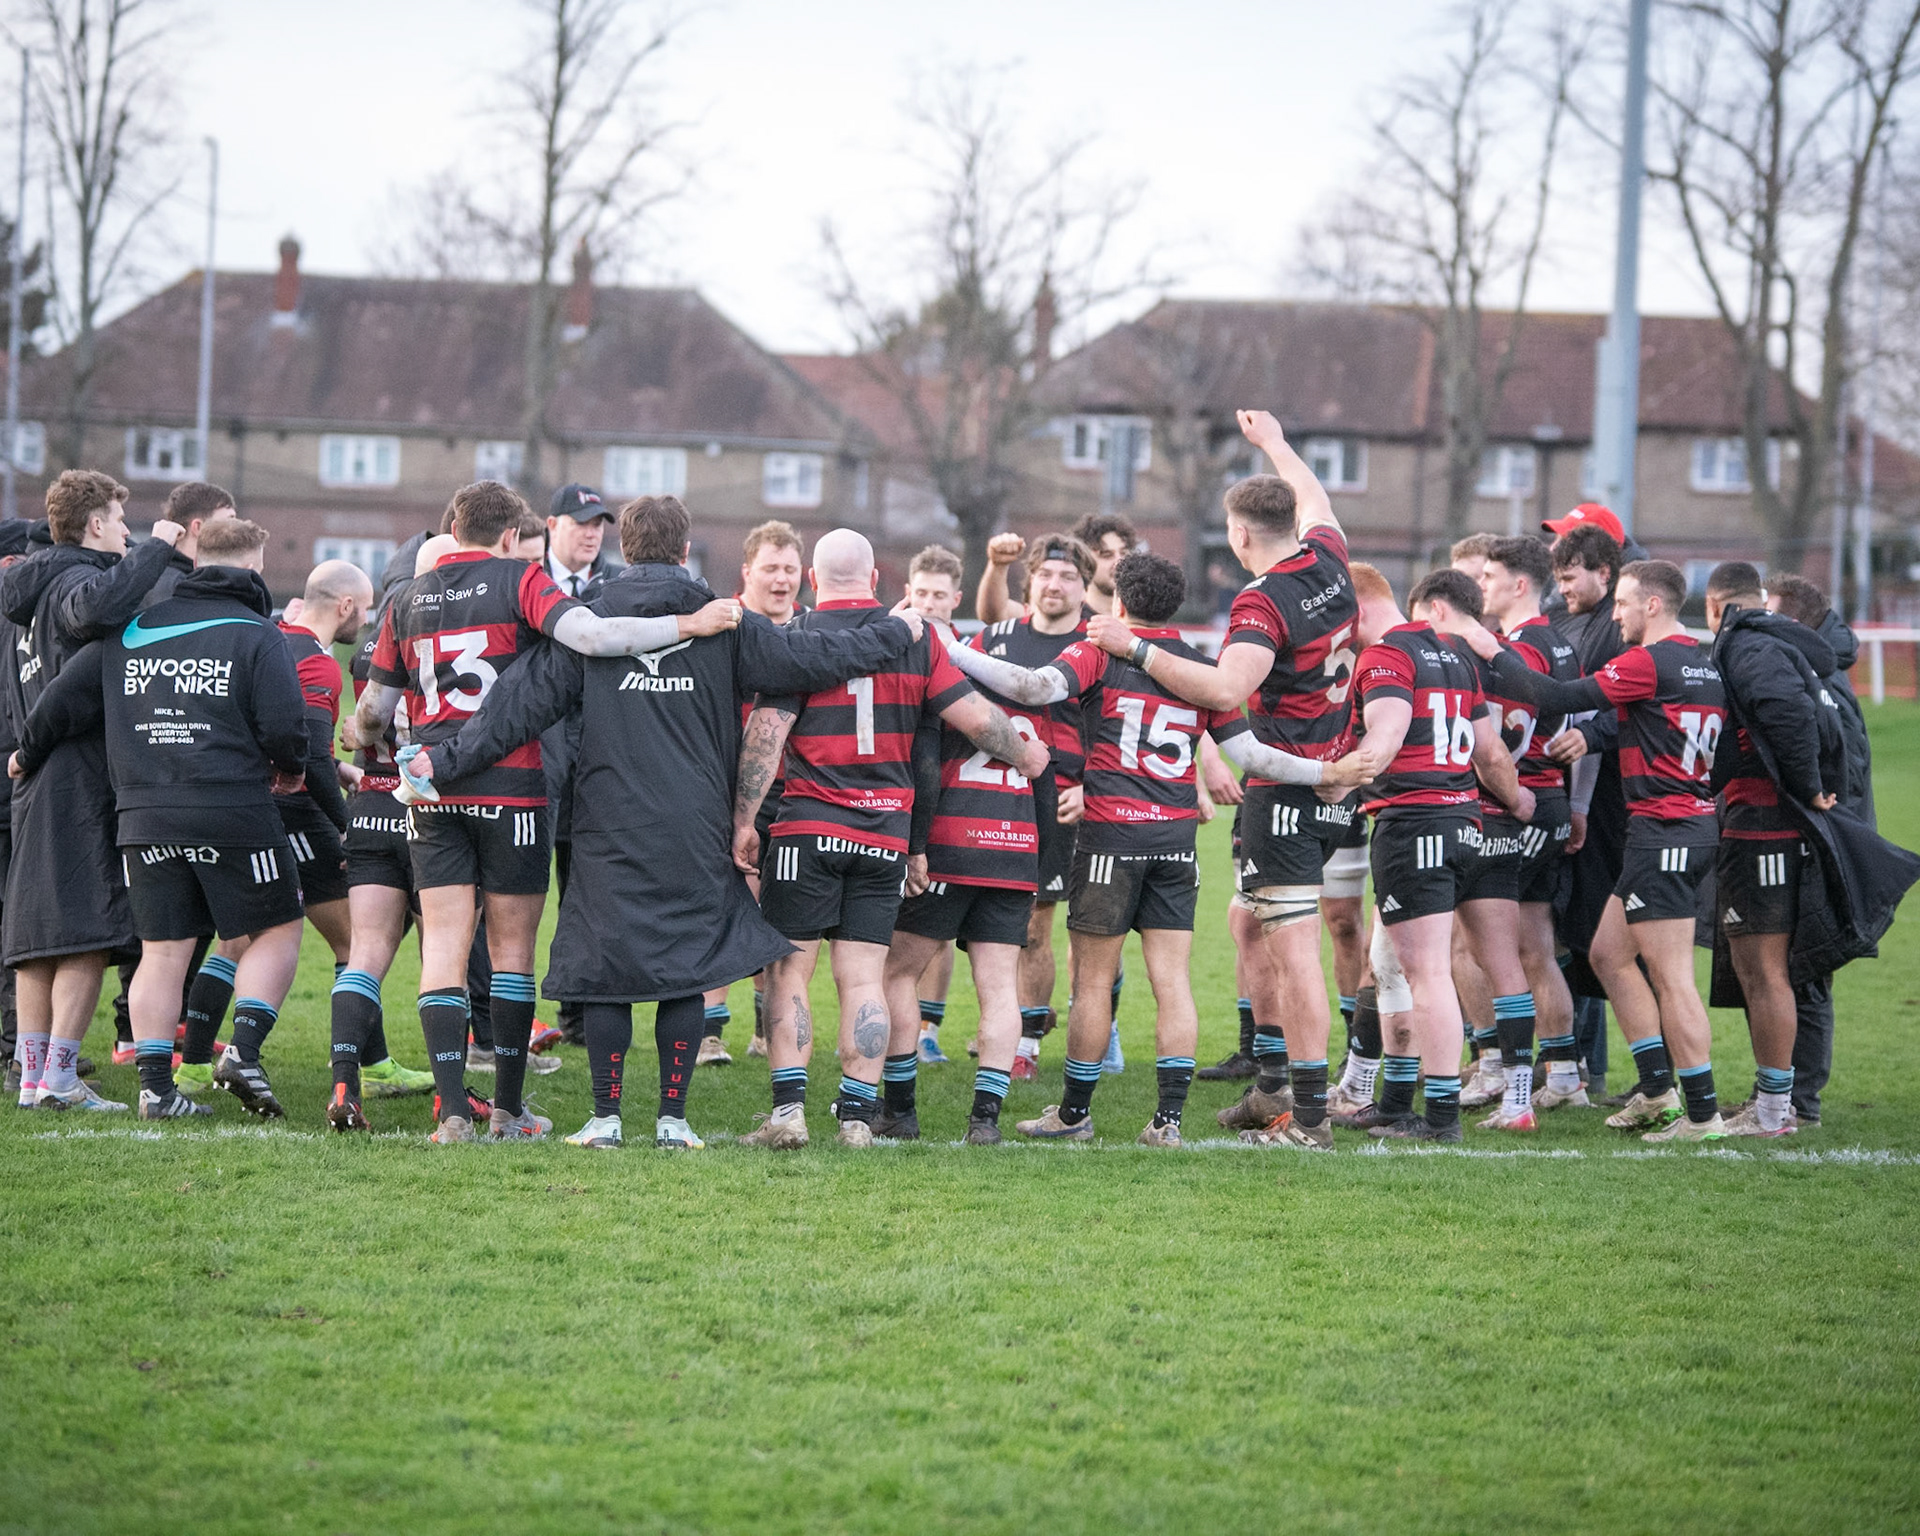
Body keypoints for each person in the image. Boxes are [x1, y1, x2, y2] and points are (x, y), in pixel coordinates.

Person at [405, 495, 924, 1150]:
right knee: (686, 961)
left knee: (608, 964)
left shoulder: (592, 617)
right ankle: (674, 1121)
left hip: (608, 823)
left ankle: (606, 1118)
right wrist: (897, 633)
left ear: (625, 547)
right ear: (686, 550)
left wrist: (442, 761)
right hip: (697, 821)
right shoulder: (728, 622)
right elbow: (813, 661)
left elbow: (516, 709)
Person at [352, 479, 743, 1144]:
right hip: (512, 787)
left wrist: (365, 742)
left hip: (433, 789)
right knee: (510, 950)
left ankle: (452, 1114)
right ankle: (508, 1109)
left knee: (444, 945)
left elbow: (372, 713)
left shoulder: (404, 600)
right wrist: (688, 623)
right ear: (511, 537)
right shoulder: (521, 580)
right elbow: (590, 635)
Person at [951, 551, 1377, 1147]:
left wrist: (946, 647)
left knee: (1094, 982)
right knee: (1172, 981)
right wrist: (1323, 773)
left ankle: (1074, 1116)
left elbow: (1033, 685)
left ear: (1118, 602)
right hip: (1176, 843)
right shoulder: (1204, 667)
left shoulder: (1101, 648)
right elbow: (1251, 757)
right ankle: (1168, 1123)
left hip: (1108, 839)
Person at [1084, 409, 1357, 1145]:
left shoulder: (1262, 600)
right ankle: (1271, 1085)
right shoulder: (1330, 557)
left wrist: (1134, 648)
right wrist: (1274, 441)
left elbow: (1222, 689)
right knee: (1246, 924)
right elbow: (1313, 493)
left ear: (1238, 536)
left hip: (1287, 793)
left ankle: (1308, 1114)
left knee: (1296, 955)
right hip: (1332, 789)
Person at [731, 528, 1047, 1149]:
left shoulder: (796, 637)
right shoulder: (919, 639)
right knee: (865, 978)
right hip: (882, 836)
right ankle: (855, 1118)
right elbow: (975, 720)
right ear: (876, 581)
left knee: (790, 972)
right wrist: (1027, 755)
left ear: (814, 582)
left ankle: (789, 1115)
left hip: (807, 829)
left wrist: (744, 820)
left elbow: (764, 736)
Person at [12, 518, 308, 1121]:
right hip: (232, 808)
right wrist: (291, 767)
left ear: (195, 564)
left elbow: (59, 702)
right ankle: (244, 1053)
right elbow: (284, 726)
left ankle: (155, 1089)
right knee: (276, 926)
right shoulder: (257, 633)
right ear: (254, 567)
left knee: (163, 950)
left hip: (143, 815)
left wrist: (26, 752)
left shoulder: (132, 630)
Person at [1461, 559, 1729, 1140]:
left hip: (1668, 833)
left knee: (1674, 976)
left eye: (1625, 603)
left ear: (1653, 605)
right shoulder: (1704, 665)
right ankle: (1657, 1091)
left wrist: (1485, 645)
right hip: (1677, 830)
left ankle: (1703, 1115)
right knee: (1609, 955)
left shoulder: (1648, 662)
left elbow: (1554, 697)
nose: (1617, 614)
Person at [3, 472, 184, 1111]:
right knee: (86, 931)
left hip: (33, 780)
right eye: (122, 520)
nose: (130, 532)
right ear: (96, 525)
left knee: (37, 937)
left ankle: (31, 1077)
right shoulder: (75, 584)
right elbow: (101, 609)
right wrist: (159, 548)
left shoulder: (26, 598)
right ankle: (56, 1078)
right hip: (77, 776)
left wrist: (22, 754)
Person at [1337, 569, 1532, 1144]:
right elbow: (1490, 752)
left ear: (1360, 608)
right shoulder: (1455, 658)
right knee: (1395, 965)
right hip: (1465, 820)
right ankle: (1395, 1102)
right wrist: (1519, 802)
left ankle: (1441, 1115)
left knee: (1425, 973)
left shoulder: (1384, 657)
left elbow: (1388, 733)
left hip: (1414, 822)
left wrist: (1338, 776)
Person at [1703, 562, 1846, 1137]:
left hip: (1763, 825)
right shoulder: (1771, 642)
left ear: (1716, 606)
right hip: (1760, 820)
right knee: (1757, 969)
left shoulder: (1749, 645)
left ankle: (1772, 1111)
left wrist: (1807, 786)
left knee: (1763, 971)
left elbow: (1788, 713)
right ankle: (1773, 1103)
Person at [1449, 537, 1585, 1129]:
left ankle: (1495, 1066)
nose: (1481, 586)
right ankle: (1563, 1075)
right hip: (1550, 800)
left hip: (1514, 803)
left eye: (1490, 576)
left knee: (1467, 943)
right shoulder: (1562, 644)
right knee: (1534, 943)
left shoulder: (1516, 648)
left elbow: (1497, 734)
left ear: (1520, 585)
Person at [967, 535, 1096, 1076]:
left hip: (1056, 802)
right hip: (987, 799)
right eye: (1045, 574)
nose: (1054, 584)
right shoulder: (993, 638)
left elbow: (1116, 726)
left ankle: (1026, 1046)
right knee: (976, 924)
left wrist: (1090, 784)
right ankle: (977, 1027)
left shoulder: (1097, 645)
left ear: (1085, 588)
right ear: (1030, 582)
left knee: (1036, 927)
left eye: (1067, 577)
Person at [1765, 574, 1873, 1123]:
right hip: (1805, 843)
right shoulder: (1811, 669)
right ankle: (1784, 1094)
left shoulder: (1827, 681)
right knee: (1787, 969)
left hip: (1826, 849)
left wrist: (1821, 828)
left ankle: (1800, 1101)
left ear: (1798, 624)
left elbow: (1844, 780)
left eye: (1772, 616)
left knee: (1807, 969)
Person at [717, 519, 808, 1064]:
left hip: (795, 796)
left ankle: (760, 1030)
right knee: (726, 906)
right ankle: (709, 1031)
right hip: (727, 792)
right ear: (747, 572)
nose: (780, 579)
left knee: (777, 916)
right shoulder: (724, 626)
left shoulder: (813, 632)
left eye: (790, 569)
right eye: (770, 568)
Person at [539, 483, 621, 1052]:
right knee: (515, 889)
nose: (593, 533)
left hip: (596, 754)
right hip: (536, 751)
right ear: (552, 524)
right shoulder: (528, 582)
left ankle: (581, 1011)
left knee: (585, 886)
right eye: (582, 522)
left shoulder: (614, 585)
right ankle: (492, 1018)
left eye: (599, 524)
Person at [899, 543, 968, 1060]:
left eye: (938, 595)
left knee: (935, 922)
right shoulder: (887, 640)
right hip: (894, 796)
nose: (928, 602)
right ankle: (889, 1022)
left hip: (949, 800)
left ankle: (928, 1030)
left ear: (955, 599)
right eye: (920, 592)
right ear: (906, 592)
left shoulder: (967, 652)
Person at [975, 511, 1136, 624]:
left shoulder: (1141, 615)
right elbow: (994, 614)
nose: (1119, 561)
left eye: (1124, 552)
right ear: (1085, 562)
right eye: (1106, 555)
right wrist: (997, 565)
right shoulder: (1061, 608)